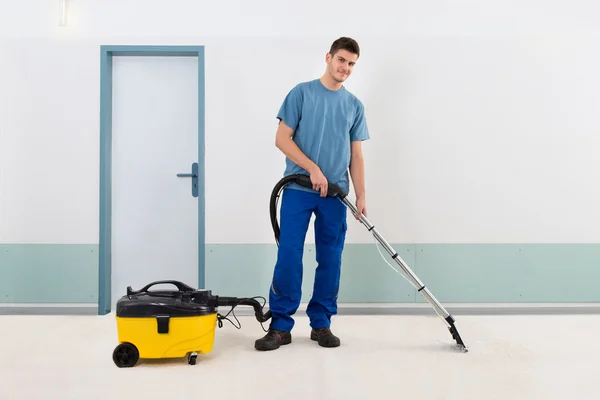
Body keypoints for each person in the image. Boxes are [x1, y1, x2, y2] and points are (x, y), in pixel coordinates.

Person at [255, 37, 370, 351]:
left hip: (335, 195)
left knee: (330, 259)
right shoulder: (301, 93)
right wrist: (313, 169)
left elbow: (356, 156)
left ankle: (321, 324)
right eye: (341, 60)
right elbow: (282, 139)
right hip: (297, 188)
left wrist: (360, 195)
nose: (345, 68)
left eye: (351, 64)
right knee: (289, 255)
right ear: (328, 57)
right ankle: (280, 326)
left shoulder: (354, 105)